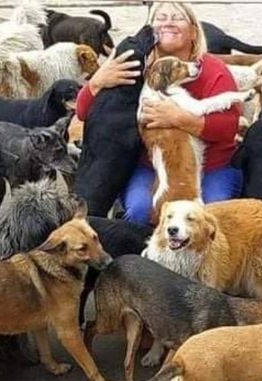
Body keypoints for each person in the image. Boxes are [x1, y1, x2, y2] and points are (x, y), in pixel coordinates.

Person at [75, 2, 242, 225]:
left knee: (209, 216)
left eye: (177, 17)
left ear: (194, 31)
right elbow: (84, 112)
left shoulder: (213, 71)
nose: (168, 22)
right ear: (152, 28)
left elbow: (228, 128)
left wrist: (180, 118)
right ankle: (139, 256)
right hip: (152, 165)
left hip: (210, 166)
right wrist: (96, 83)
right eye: (161, 17)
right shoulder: (132, 67)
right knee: (139, 211)